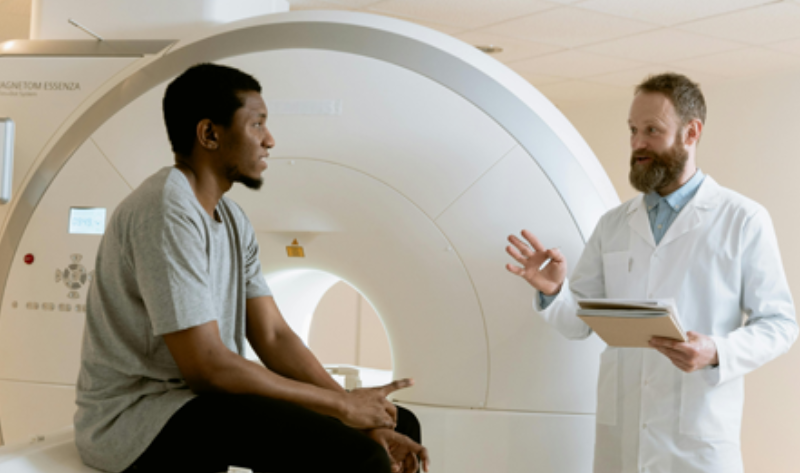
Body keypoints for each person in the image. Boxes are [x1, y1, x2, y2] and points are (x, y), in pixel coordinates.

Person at [75, 63, 429, 473]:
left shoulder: (231, 218)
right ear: (210, 134)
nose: (270, 139)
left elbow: (273, 335)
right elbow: (206, 366)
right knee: (356, 456)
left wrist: (355, 411)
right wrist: (340, 406)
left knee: (400, 424)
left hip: (198, 404)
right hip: (138, 417)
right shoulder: (164, 209)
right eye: (257, 124)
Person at [505, 72, 797, 473]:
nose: (637, 143)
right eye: (632, 130)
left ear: (691, 133)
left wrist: (716, 351)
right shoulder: (614, 224)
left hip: (697, 438)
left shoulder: (742, 219)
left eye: (652, 130)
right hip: (623, 437)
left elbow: (780, 324)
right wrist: (555, 292)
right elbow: (581, 323)